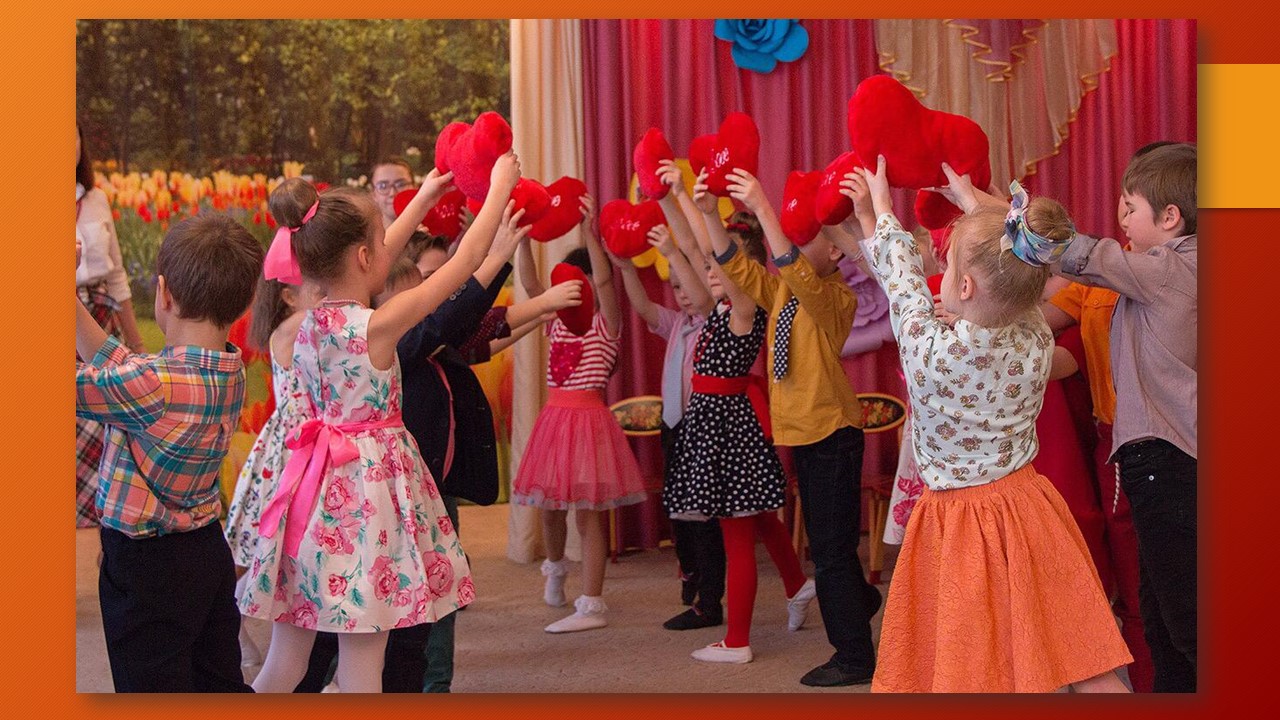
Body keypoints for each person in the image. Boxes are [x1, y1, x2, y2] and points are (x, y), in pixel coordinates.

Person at [847, 157, 1132, 692]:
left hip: (958, 524)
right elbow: (1018, 276)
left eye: (950, 263)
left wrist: (879, 206)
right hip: (1029, 509)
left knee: (973, 669)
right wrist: (976, 204)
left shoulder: (930, 353)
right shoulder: (1034, 336)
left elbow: (903, 282)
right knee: (1077, 659)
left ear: (965, 286)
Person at [240, 153, 519, 692]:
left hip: (312, 498)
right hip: (366, 502)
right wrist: (499, 187)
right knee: (363, 665)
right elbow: (466, 262)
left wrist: (427, 195)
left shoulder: (301, 324)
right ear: (367, 256)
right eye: (379, 246)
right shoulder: (377, 326)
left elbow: (372, 250)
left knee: (285, 662)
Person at [702, 166, 880, 687]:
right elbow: (739, 269)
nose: (795, 250)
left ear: (836, 254)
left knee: (830, 553)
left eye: (808, 240)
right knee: (829, 545)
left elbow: (795, 271)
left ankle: (854, 657)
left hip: (830, 435)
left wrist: (763, 207)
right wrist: (710, 214)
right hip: (803, 434)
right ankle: (860, 601)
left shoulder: (835, 297)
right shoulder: (784, 292)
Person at [76, 211, 264, 692]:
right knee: (216, 682)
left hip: (145, 568)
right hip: (204, 552)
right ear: (243, 304)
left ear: (163, 294)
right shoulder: (228, 370)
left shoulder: (151, 386)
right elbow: (122, 364)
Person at [1054, 143, 1198, 692]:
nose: (1121, 220)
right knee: (1160, 615)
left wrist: (1012, 218)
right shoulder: (1175, 267)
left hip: (1167, 462)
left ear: (1170, 217)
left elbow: (1086, 255)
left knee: (1185, 618)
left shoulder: (1170, 267)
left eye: (1130, 207)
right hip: (1164, 462)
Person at [511, 196, 650, 634]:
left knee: (589, 515)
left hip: (589, 423)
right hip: (554, 420)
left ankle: (591, 604)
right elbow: (531, 285)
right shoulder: (555, 319)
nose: (580, 289)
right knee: (549, 507)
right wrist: (523, 240)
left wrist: (591, 235)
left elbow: (605, 282)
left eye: (585, 281)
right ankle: (555, 569)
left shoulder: (606, 324)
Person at [223, 276, 320, 667]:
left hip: (298, 446)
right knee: (267, 545)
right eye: (319, 290)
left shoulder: (295, 326)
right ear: (289, 297)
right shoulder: (296, 325)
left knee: (268, 548)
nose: (327, 297)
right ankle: (230, 618)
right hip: (293, 453)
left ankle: (233, 620)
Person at [77, 122, 147, 530]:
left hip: (101, 321)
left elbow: (118, 275)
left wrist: (136, 343)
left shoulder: (97, 199)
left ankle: (104, 526)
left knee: (109, 427)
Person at [370, 157, 415, 229]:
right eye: (383, 186)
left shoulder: (429, 231)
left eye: (401, 185)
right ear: (373, 194)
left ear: (414, 187)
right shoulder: (363, 234)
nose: (392, 193)